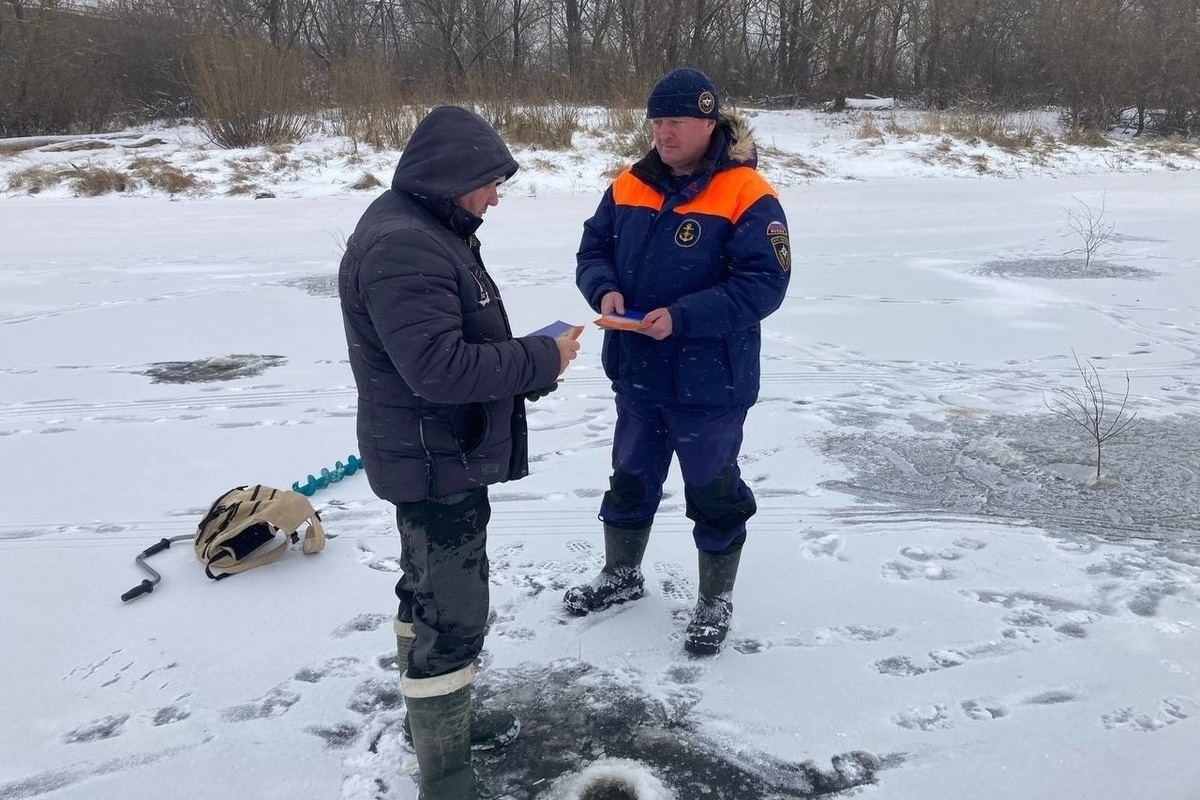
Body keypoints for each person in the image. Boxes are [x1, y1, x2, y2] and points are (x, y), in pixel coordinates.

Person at [339, 105, 579, 799]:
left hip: (436, 452)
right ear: (453, 178)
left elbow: (448, 349)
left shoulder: (426, 227)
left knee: (427, 592)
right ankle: (445, 772)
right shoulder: (404, 245)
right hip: (432, 457)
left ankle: (441, 725)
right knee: (453, 613)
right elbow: (437, 370)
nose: (498, 196)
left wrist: (531, 361)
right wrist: (539, 359)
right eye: (492, 181)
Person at [567, 68, 791, 656]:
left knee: (713, 491)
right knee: (630, 478)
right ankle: (621, 575)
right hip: (637, 373)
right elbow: (593, 251)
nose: (663, 134)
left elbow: (765, 285)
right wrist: (604, 291)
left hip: (711, 381)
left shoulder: (748, 192)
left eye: (677, 123)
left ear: (708, 123)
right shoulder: (628, 184)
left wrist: (683, 317)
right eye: (657, 122)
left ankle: (714, 601)